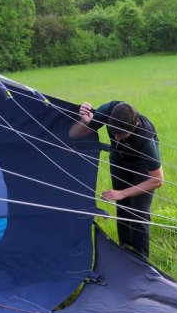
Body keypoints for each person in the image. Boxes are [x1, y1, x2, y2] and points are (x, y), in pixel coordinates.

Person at [69, 100, 163, 258]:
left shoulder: (144, 138)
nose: (117, 139)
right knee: (123, 209)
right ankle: (125, 254)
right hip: (119, 160)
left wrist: (122, 193)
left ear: (133, 127)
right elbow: (73, 134)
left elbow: (158, 180)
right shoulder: (109, 111)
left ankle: (141, 263)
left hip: (142, 166)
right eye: (114, 134)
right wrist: (84, 122)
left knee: (139, 213)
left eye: (121, 135)